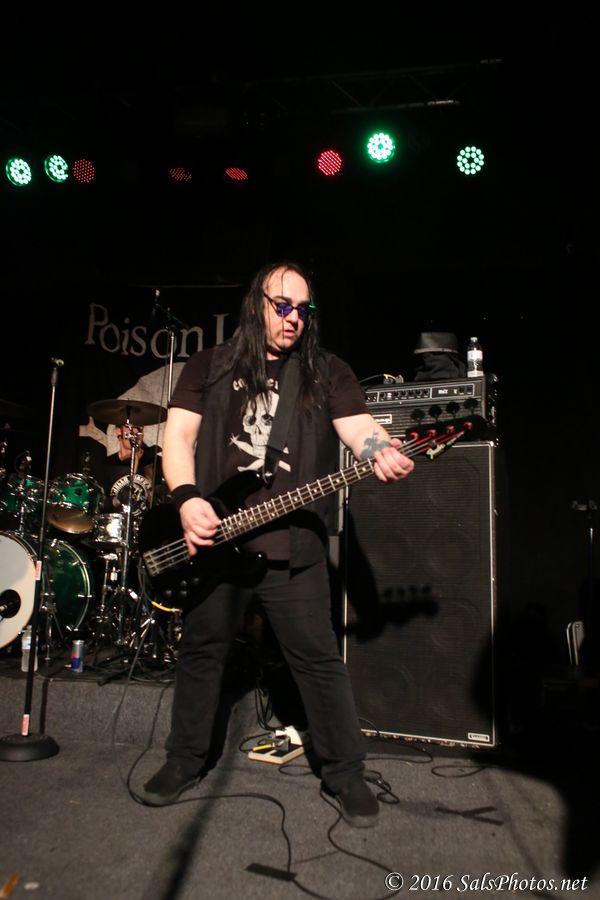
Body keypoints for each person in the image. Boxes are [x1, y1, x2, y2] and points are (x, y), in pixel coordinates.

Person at [140, 262, 414, 826]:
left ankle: (346, 773)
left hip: (295, 547)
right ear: (257, 304)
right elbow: (179, 436)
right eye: (282, 306)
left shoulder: (325, 371)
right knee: (202, 653)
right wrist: (187, 500)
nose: (293, 319)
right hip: (217, 540)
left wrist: (381, 450)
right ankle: (184, 760)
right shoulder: (209, 365)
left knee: (317, 660)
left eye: (303, 310)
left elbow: (360, 430)